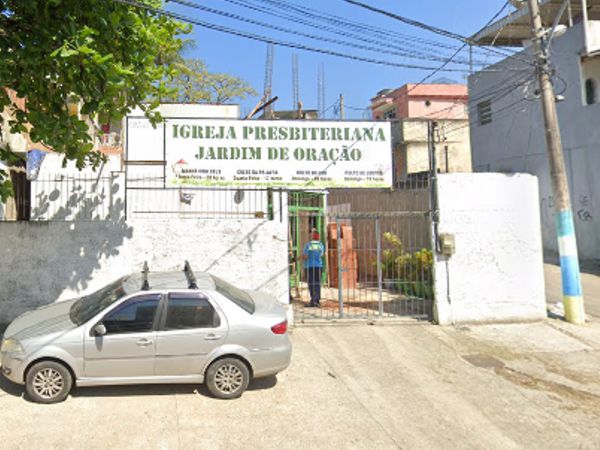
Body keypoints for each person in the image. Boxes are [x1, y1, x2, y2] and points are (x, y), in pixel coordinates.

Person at [302, 228, 325, 307]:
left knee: (311, 283)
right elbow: (321, 255)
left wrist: (297, 258)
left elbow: (305, 256)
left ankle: (313, 301)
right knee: (317, 283)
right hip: (318, 266)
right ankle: (317, 300)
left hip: (310, 266)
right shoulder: (320, 245)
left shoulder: (308, 245)